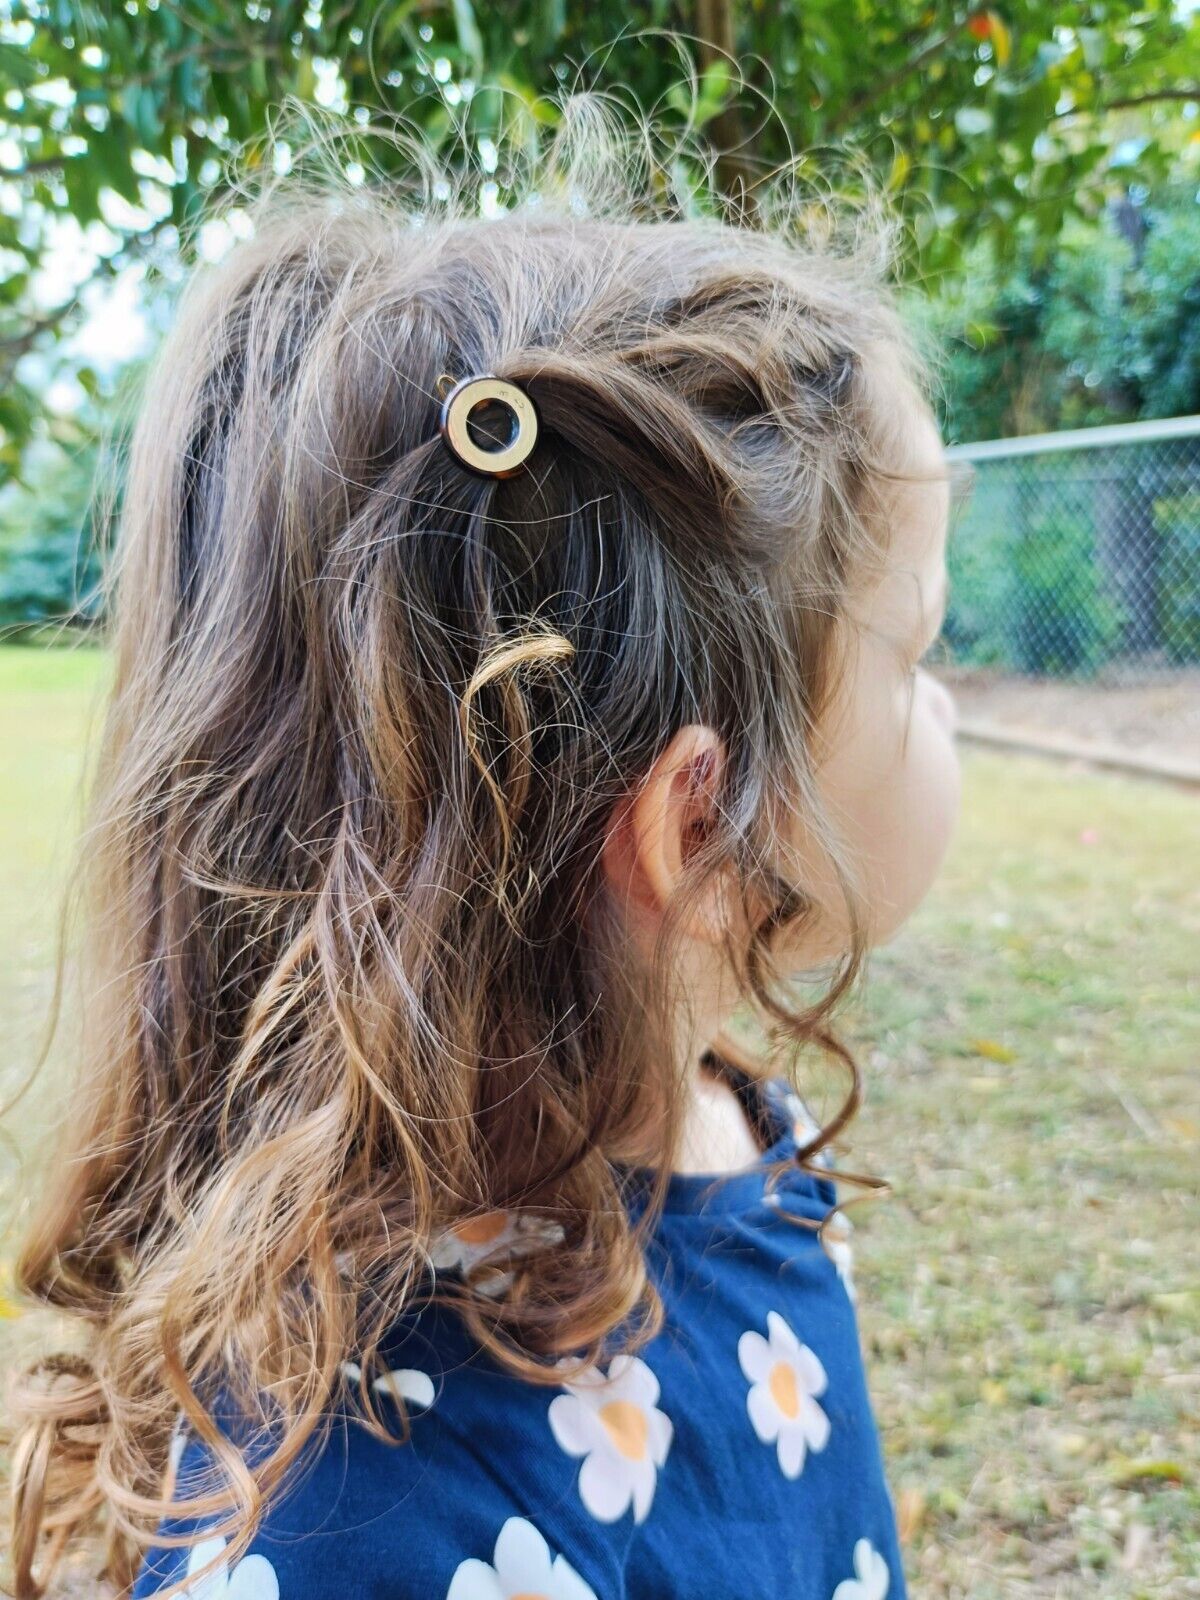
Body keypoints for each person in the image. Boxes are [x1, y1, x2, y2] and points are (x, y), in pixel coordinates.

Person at [9, 111, 959, 1600]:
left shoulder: (729, 1131)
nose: (947, 704)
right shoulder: (335, 1536)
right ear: (693, 827)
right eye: (918, 649)